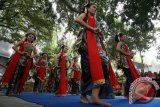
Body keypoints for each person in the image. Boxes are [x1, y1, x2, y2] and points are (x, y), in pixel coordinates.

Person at [75, 3, 111, 106]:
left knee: (104, 63)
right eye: (94, 6)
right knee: (87, 70)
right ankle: (83, 95)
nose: (95, 8)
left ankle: (95, 96)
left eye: (96, 7)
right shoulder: (84, 15)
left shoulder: (97, 21)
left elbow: (99, 35)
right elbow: (77, 20)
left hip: (97, 46)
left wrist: (100, 33)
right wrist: (91, 28)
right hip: (86, 45)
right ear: (87, 8)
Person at [115, 33, 139, 97]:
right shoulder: (120, 42)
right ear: (120, 37)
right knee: (129, 77)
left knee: (129, 77)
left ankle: (127, 93)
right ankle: (128, 93)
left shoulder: (124, 44)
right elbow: (117, 49)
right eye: (124, 37)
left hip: (126, 61)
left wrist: (130, 55)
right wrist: (127, 54)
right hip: (124, 62)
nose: (125, 38)